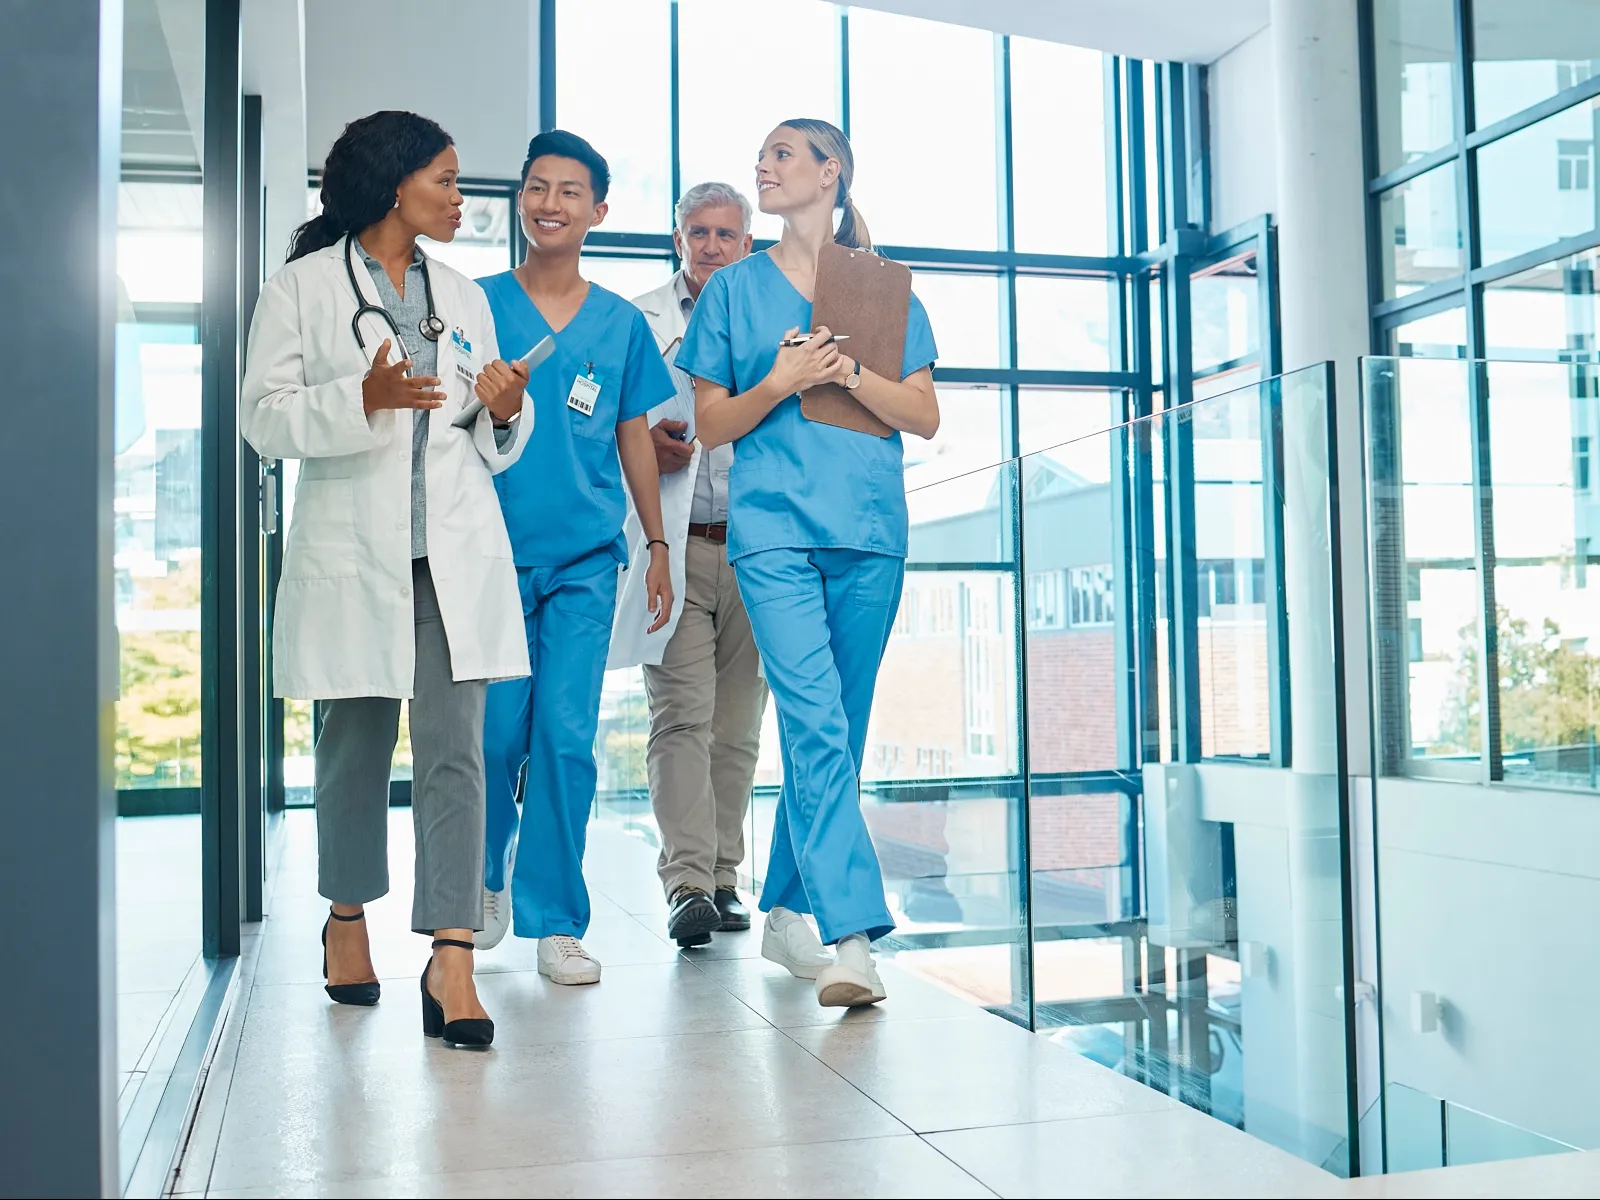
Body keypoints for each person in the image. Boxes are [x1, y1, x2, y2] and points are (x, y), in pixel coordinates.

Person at [240, 111, 535, 1048]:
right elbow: (262, 418)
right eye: (444, 179)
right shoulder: (299, 289)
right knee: (354, 753)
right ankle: (346, 917)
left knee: (457, 755)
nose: (459, 197)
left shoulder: (465, 296)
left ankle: (453, 954)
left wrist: (505, 409)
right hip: (353, 557)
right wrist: (358, 397)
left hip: (451, 559)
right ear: (393, 184)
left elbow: (484, 437)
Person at [677, 119, 939, 1008]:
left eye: (783, 153)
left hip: (869, 529)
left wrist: (849, 375)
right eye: (762, 155)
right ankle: (852, 937)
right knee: (816, 724)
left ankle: (786, 905)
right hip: (773, 533)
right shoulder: (732, 291)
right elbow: (712, 423)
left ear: (832, 173)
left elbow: (923, 414)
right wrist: (781, 383)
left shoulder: (881, 285)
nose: (765, 164)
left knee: (840, 732)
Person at [474, 130, 676, 984]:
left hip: (588, 561)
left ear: (598, 210)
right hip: (488, 557)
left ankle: (555, 918)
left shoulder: (620, 324)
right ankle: (486, 878)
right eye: (537, 187)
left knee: (564, 738)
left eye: (568, 191)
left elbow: (634, 438)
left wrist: (656, 542)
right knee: (491, 738)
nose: (549, 203)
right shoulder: (477, 304)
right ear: (520, 197)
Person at [608, 182, 768, 948]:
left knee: (737, 728)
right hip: (672, 547)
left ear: (748, 244)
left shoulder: (774, 323)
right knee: (680, 717)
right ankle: (688, 886)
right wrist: (640, 445)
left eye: (725, 234)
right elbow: (599, 424)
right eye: (697, 232)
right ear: (678, 239)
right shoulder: (636, 322)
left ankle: (725, 878)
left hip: (755, 551)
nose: (710, 246)